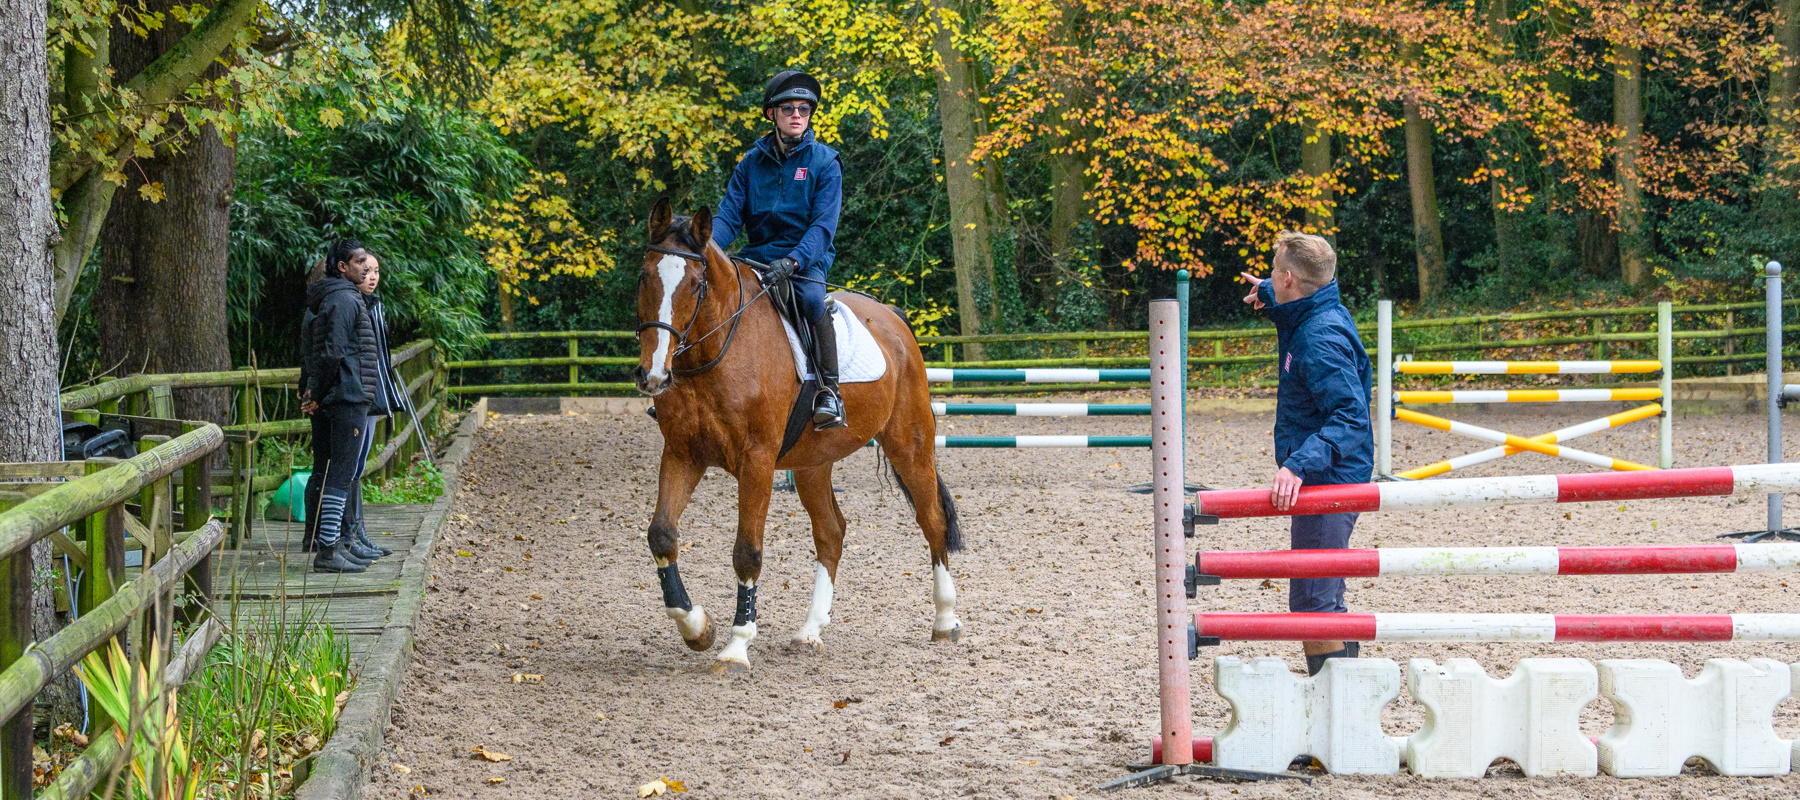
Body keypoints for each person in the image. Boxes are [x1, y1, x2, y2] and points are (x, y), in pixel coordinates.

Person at [1237, 231, 1374, 676]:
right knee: (1322, 594)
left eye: (1275, 271)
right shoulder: (1318, 307)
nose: (1272, 275)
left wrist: (1298, 463)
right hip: (1327, 468)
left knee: (1313, 601)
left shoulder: (1319, 339)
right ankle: (1343, 698)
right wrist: (1267, 292)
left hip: (1330, 476)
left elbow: (1351, 417)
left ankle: (1337, 706)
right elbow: (1298, 311)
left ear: (1290, 278)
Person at [710, 70, 847, 429]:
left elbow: (822, 228)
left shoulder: (825, 164)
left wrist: (794, 260)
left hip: (804, 261)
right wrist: (703, 245)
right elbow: (728, 218)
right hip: (755, 256)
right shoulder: (750, 164)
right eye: (788, 108)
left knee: (814, 302)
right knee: (706, 293)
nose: (797, 115)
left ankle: (829, 392)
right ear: (772, 114)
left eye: (804, 108)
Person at [301, 239, 390, 573]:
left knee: (338, 471)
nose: (366, 270)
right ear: (342, 267)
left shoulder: (344, 296)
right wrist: (317, 393)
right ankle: (328, 550)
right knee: (339, 473)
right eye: (359, 264)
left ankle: (337, 544)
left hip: (344, 394)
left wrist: (316, 392)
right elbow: (333, 351)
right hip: (346, 396)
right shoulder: (342, 298)